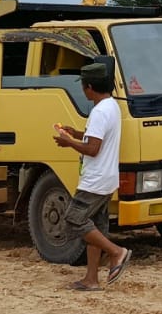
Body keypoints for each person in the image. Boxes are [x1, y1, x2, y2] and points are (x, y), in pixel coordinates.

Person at [51, 58, 132, 290]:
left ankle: (117, 253)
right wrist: (75, 132)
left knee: (73, 220)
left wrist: (69, 143)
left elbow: (92, 149)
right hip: (108, 179)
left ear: (89, 87)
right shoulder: (112, 106)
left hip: (94, 180)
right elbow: (94, 137)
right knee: (94, 227)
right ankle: (91, 279)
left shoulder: (99, 112)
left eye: (83, 85)